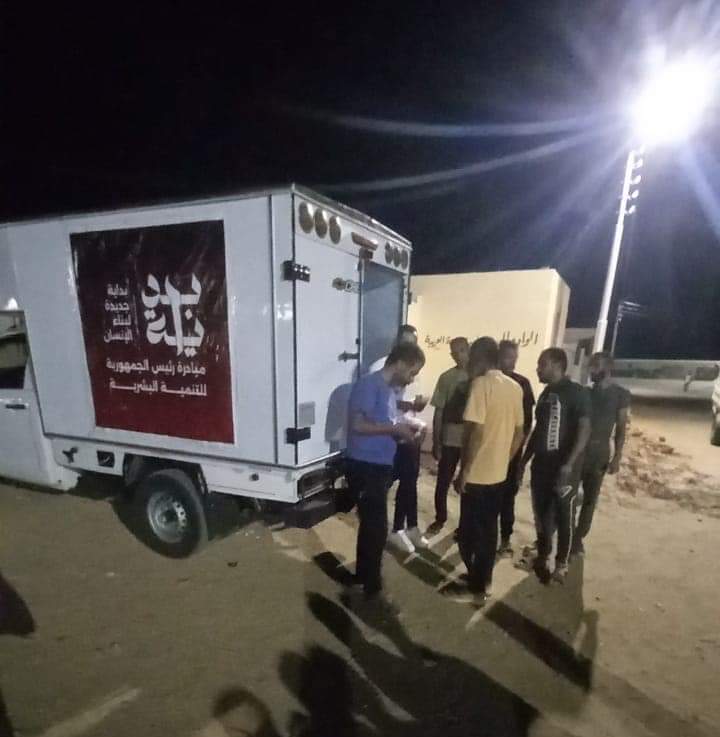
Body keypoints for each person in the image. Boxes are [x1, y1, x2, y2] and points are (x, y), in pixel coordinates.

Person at [443, 337, 524, 605]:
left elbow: (476, 431)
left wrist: (465, 471)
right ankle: (483, 581)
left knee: (469, 535)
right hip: (498, 476)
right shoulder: (514, 387)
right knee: (489, 532)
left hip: (477, 476)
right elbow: (520, 432)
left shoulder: (480, 385)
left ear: (478, 358)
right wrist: (504, 460)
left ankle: (476, 587)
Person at [346, 342, 426, 600]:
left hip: (378, 465)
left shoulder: (389, 390)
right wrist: (394, 430)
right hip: (365, 465)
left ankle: (363, 578)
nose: (411, 378)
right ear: (400, 363)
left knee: (372, 526)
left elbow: (384, 423)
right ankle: (371, 587)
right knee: (376, 528)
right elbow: (358, 425)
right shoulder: (369, 385)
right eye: (412, 372)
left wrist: (404, 432)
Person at [519, 348, 591, 584]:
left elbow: (584, 430)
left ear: (557, 365)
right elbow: (538, 431)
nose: (538, 369)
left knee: (564, 515)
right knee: (542, 516)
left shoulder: (576, 393)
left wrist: (569, 464)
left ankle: (562, 563)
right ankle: (543, 556)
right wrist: (524, 461)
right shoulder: (546, 393)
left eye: (542, 364)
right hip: (541, 467)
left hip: (563, 469)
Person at [373, 325, 430, 554]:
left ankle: (407, 527)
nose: (410, 346)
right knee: (385, 483)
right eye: (405, 341)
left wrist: (418, 406)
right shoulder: (381, 367)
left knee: (409, 482)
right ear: (396, 342)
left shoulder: (415, 368)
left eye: (413, 342)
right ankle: (383, 529)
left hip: (408, 430)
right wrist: (404, 406)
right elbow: (380, 403)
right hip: (389, 434)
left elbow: (414, 398)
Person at [572, 351, 631, 557]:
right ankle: (566, 533)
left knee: (590, 499)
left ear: (607, 368)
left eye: (595, 366)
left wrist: (617, 457)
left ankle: (578, 538)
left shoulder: (621, 395)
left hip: (599, 453)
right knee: (569, 495)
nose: (591, 370)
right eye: (591, 365)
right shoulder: (584, 392)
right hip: (579, 451)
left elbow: (621, 428)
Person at [426, 337, 470, 535]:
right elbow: (439, 412)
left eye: (462, 350)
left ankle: (464, 525)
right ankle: (440, 517)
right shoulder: (446, 378)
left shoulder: (479, 377)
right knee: (443, 481)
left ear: (468, 350)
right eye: (454, 352)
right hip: (450, 437)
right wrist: (436, 442)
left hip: (470, 439)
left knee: (468, 483)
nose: (458, 355)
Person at [496, 340, 535, 556]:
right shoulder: (487, 382)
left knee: (507, 497)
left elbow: (526, 424)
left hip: (511, 452)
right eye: (507, 357)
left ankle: (505, 539)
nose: (511, 362)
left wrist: (516, 451)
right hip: (491, 450)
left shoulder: (522, 384)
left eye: (514, 358)